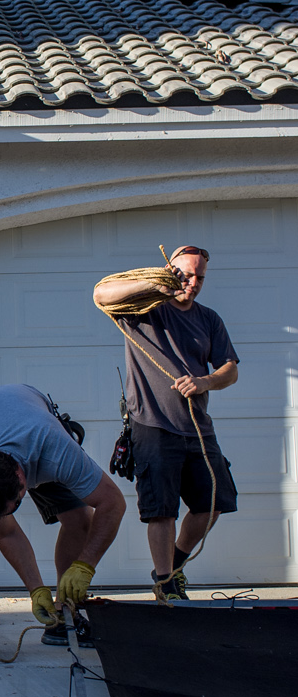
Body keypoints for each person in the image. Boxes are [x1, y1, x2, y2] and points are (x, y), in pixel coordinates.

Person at [93, 244, 239, 602]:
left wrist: (205, 381)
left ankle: (172, 566)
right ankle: (166, 586)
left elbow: (230, 370)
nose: (192, 283)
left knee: (213, 503)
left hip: (198, 427)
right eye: (186, 274)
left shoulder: (209, 319)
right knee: (162, 511)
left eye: (199, 277)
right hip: (152, 424)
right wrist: (152, 285)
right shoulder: (144, 308)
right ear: (170, 270)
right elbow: (100, 294)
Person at [0, 384, 127, 658]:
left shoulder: (55, 449)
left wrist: (85, 566)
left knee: (79, 516)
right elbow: (6, 533)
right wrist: (36, 590)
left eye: (15, 506)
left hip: (34, 423)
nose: (12, 513)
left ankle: (64, 615)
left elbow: (113, 503)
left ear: (22, 479)